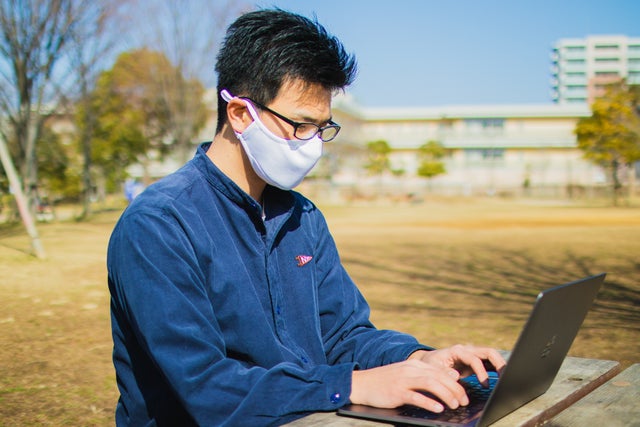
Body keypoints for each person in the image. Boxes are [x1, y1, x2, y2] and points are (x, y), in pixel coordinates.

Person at [107, 8, 505, 426]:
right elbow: (207, 388)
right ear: (240, 114)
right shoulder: (159, 224)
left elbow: (344, 335)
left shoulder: (302, 217)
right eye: (301, 125)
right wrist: (348, 386)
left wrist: (418, 359)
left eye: (321, 128)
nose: (312, 144)